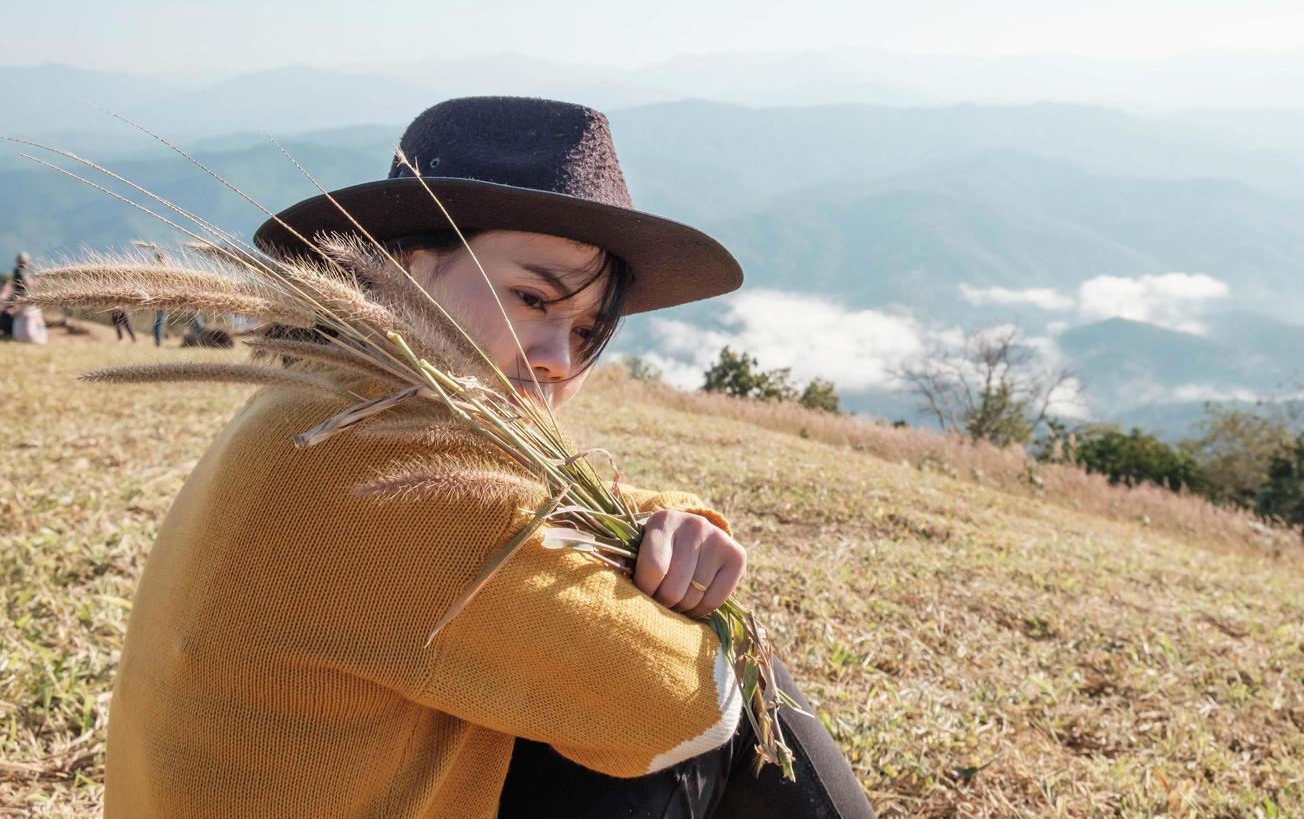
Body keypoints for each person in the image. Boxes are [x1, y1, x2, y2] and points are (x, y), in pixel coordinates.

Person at [103, 97, 874, 818]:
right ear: (404, 266)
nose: (557, 361)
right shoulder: (395, 467)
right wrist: (704, 613)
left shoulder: (322, 400)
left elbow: (540, 496)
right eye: (533, 299)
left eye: (585, 332)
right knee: (739, 683)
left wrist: (668, 522)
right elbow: (685, 701)